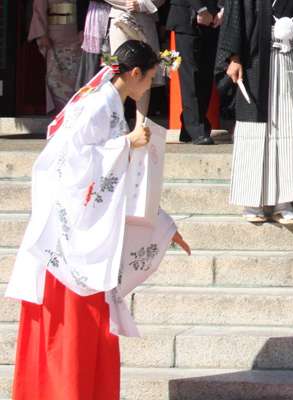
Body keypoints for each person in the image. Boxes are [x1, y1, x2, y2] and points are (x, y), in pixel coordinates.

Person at [5, 40, 191, 400]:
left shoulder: (106, 104)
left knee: (88, 330)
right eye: (149, 79)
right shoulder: (97, 106)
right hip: (69, 240)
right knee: (74, 329)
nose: (148, 88)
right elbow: (68, 162)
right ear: (134, 74)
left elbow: (121, 182)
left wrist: (164, 226)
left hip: (84, 230)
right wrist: (125, 145)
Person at [216, 0, 293, 224]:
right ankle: (252, 199)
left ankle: (285, 201)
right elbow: (236, 12)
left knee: (290, 126)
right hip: (255, 62)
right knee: (255, 129)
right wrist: (233, 57)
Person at [167, 0, 223, 145]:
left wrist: (222, 9)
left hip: (213, 19)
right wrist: (201, 9)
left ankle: (189, 125)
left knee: (206, 75)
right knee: (189, 76)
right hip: (186, 18)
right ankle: (196, 128)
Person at [106, 0, 166, 130]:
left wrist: (142, 4)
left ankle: (141, 123)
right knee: (118, 71)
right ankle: (116, 122)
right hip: (119, 18)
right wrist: (126, 3)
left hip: (145, 18)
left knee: (146, 69)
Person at [29, 0, 90, 113]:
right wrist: (42, 34)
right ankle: (61, 112)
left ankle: (76, 112)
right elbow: (39, 8)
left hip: (78, 36)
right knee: (55, 80)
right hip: (56, 39)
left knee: (79, 77)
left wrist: (84, 28)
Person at [76, 0, 111, 89]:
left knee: (110, 68)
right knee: (91, 72)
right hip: (95, 25)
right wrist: (80, 27)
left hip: (113, 24)